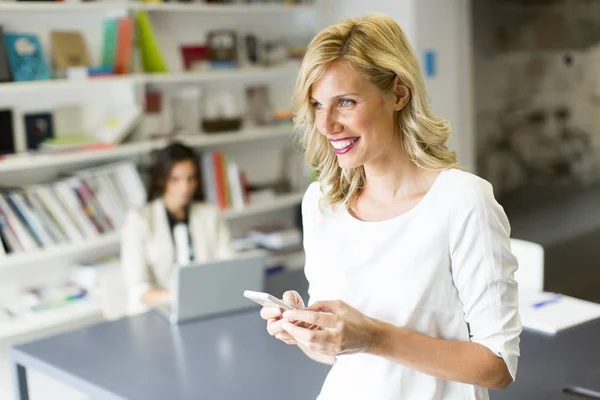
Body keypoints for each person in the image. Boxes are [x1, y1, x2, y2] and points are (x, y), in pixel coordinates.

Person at [260, 13, 521, 400]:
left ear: (398, 94)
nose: (327, 125)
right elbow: (338, 355)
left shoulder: (463, 202)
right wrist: (306, 332)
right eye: (317, 105)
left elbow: (496, 367)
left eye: (345, 102)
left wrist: (374, 337)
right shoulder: (321, 203)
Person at [121, 142, 234, 314]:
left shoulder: (209, 214)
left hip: (207, 307)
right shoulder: (139, 220)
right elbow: (138, 288)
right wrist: (180, 296)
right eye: (176, 179)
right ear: (162, 179)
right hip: (159, 312)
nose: (185, 187)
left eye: (191, 178)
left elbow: (229, 265)